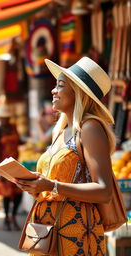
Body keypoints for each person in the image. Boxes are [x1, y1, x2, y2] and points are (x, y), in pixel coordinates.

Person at [16, 56, 115, 255]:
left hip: (75, 233)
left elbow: (104, 191)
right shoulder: (61, 131)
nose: (53, 90)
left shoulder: (90, 128)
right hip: (47, 231)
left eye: (60, 85)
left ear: (79, 92)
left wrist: (51, 186)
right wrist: (34, 186)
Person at [0, 104, 23, 231]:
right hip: (4, 166)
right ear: (0, 118)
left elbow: (19, 141)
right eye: (2, 118)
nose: (4, 120)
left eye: (6, 118)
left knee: (18, 193)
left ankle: (13, 216)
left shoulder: (13, 128)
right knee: (6, 194)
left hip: (16, 164)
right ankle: (6, 218)